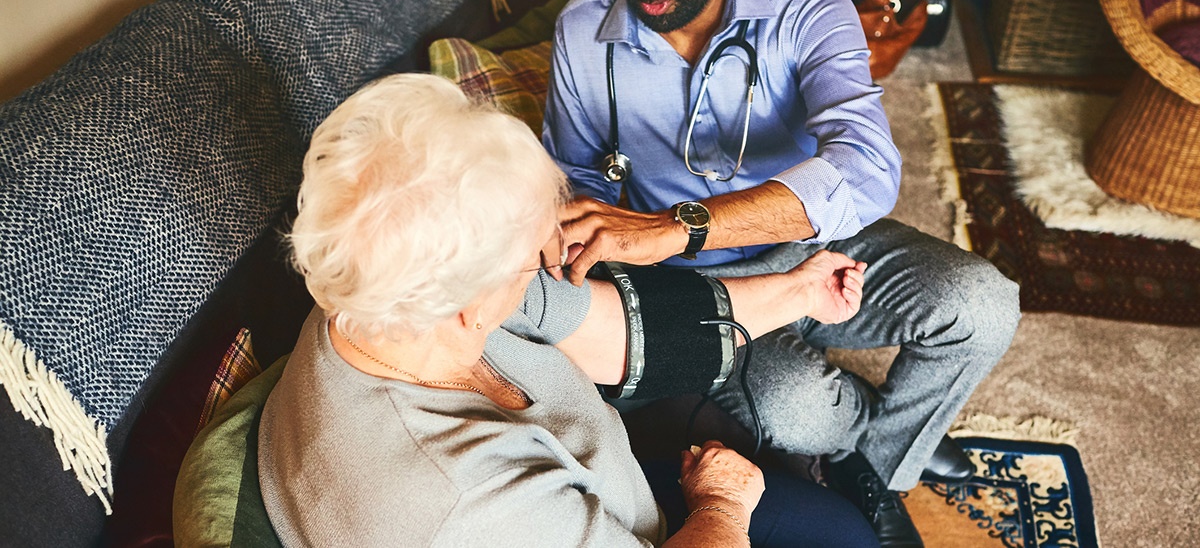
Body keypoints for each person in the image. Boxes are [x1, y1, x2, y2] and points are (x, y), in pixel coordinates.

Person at [540, 0, 1022, 545]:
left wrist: (677, 226)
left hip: (816, 249)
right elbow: (579, 176)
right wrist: (592, 226)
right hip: (693, 285)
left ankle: (880, 463)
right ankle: (879, 448)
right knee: (798, 411)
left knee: (983, 304)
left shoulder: (811, 8)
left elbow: (868, 168)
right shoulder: (582, 30)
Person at [257, 73, 882, 546]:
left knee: (839, 526)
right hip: (626, 521)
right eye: (538, 249)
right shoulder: (461, 500)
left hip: (614, 502)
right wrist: (720, 508)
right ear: (473, 305)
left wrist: (799, 289)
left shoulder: (384, 279)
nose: (560, 249)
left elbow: (620, 335)